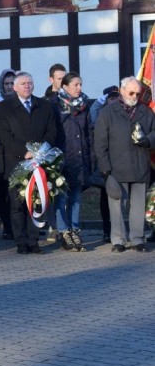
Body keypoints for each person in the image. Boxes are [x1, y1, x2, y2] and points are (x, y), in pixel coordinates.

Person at [0, 72, 58, 254]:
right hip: (16, 162)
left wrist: (40, 151)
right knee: (17, 204)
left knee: (36, 202)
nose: (27, 86)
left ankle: (33, 240)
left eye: (30, 83)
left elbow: (52, 131)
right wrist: (24, 152)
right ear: (14, 87)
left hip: (40, 162)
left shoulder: (44, 106)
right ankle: (20, 241)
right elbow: (4, 135)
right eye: (23, 83)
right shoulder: (4, 108)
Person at [95, 77, 155, 253]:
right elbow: (100, 143)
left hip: (140, 165)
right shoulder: (107, 113)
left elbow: (154, 131)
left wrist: (147, 140)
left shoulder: (145, 111)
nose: (135, 96)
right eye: (131, 92)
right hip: (116, 167)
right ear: (122, 91)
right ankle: (118, 240)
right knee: (116, 206)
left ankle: (137, 238)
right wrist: (105, 168)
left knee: (138, 206)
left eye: (137, 93)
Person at [51, 72, 92, 252]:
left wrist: (90, 158)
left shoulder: (84, 105)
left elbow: (88, 132)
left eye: (81, 84)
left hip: (79, 157)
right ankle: (63, 231)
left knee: (76, 198)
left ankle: (75, 229)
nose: (79, 88)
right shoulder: (56, 105)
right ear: (65, 86)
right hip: (63, 158)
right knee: (62, 198)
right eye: (76, 84)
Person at [0, 68, 16, 240]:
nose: (9, 87)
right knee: (1, 193)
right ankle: (7, 225)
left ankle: (20, 225)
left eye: (12, 83)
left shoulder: (21, 101)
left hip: (16, 153)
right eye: (6, 84)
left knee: (17, 193)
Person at [93, 86, 120, 243]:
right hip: (106, 163)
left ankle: (119, 230)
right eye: (111, 98)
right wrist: (100, 101)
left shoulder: (122, 113)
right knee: (105, 198)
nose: (114, 101)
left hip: (121, 162)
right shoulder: (101, 115)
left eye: (117, 98)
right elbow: (93, 113)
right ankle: (107, 230)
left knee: (120, 198)